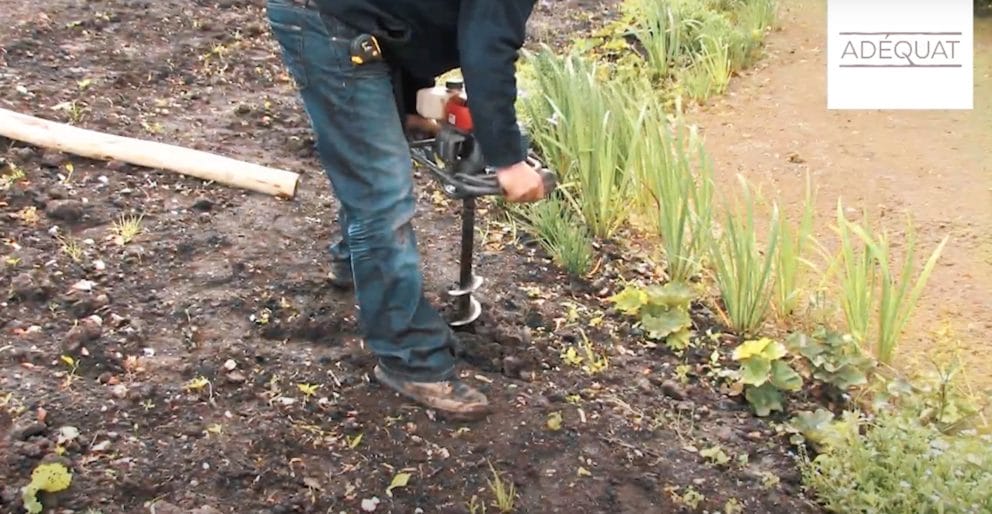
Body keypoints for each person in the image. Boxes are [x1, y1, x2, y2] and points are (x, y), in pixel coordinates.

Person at [265, 0, 546, 420]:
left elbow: (417, 13)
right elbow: (486, 46)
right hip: (329, 20)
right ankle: (409, 358)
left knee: (368, 161)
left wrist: (409, 102)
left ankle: (352, 263)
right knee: (382, 197)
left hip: (365, 18)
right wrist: (508, 160)